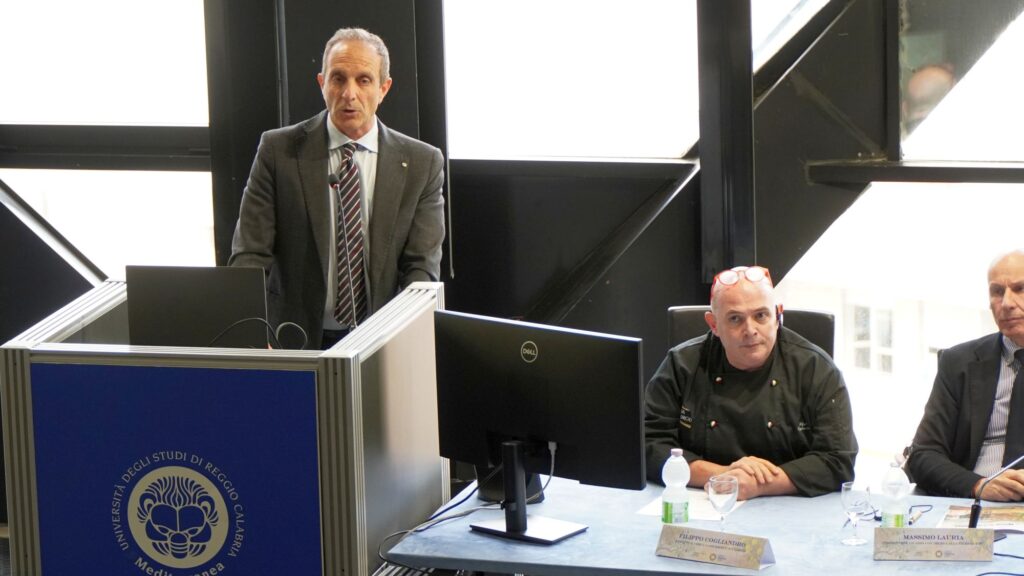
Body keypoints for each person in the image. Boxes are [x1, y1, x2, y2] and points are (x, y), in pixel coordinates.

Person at [229, 27, 445, 349]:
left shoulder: (421, 163)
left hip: (381, 342)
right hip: (290, 340)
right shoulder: (278, 151)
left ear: (384, 88)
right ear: (322, 83)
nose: (349, 94)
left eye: (364, 80)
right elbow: (249, 255)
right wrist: (251, 336)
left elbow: (421, 269)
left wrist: (405, 342)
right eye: (338, 79)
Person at [645, 265, 857, 500]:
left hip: (791, 508)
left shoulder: (817, 369)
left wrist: (760, 485)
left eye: (761, 316)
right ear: (714, 324)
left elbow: (838, 460)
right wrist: (724, 476)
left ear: (777, 316)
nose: (750, 330)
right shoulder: (682, 365)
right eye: (735, 319)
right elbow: (649, 444)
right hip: (703, 501)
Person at [907, 250, 1024, 500]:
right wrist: (978, 485)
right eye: (997, 292)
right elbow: (923, 455)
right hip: (970, 499)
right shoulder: (959, 363)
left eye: (1020, 289)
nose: (1007, 303)